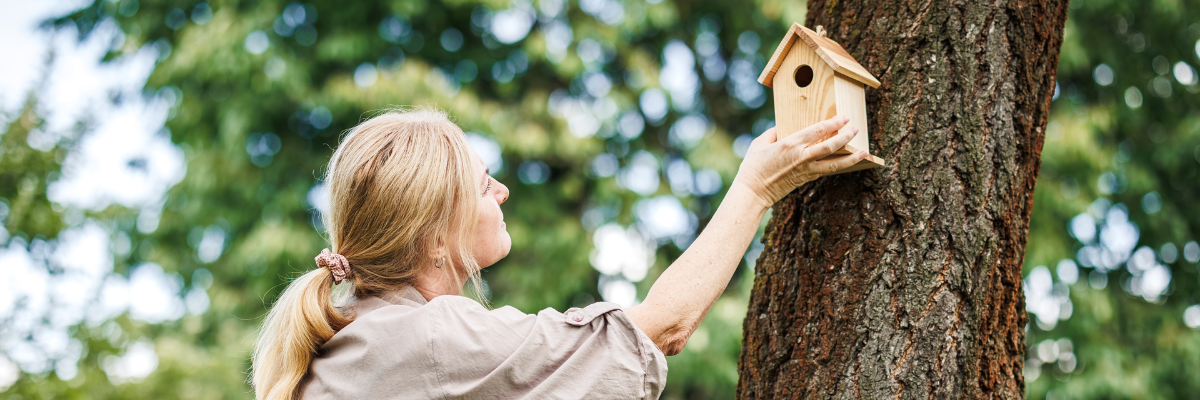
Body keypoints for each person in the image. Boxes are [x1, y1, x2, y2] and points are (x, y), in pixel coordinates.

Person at [250, 108, 866, 400]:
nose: (502, 191)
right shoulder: (433, 339)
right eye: (483, 181)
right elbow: (660, 330)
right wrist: (756, 187)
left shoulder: (349, 341)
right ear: (435, 235)